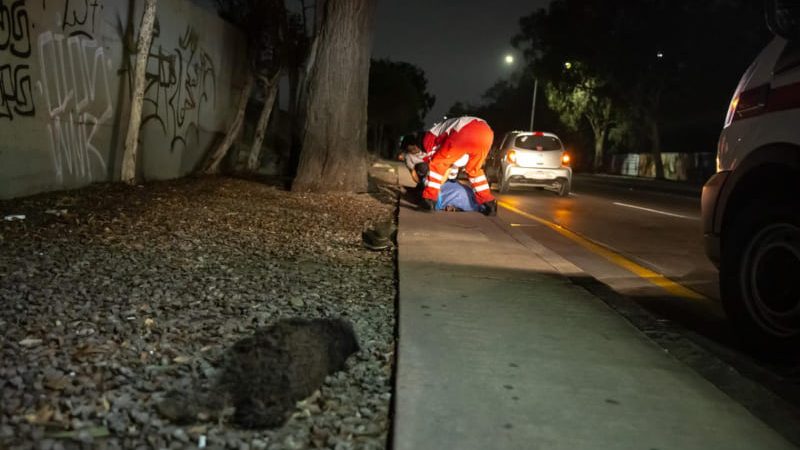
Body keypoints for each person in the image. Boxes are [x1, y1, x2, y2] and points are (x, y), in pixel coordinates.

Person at [419, 116, 497, 216]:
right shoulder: (442, 127)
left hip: (465, 131)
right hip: (487, 133)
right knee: (474, 170)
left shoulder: (428, 138)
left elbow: (436, 163)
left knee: (438, 163)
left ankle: (429, 200)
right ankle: (489, 203)